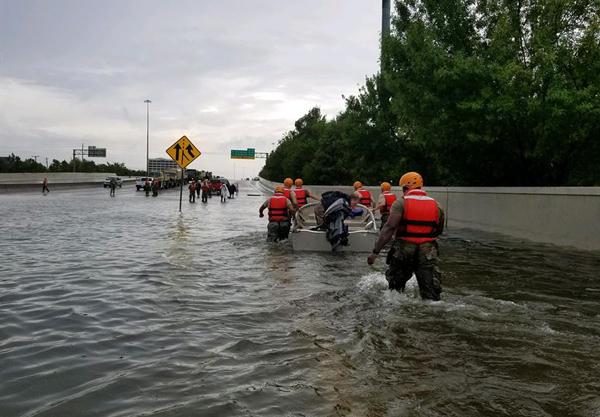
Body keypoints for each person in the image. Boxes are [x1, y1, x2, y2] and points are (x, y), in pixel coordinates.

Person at [367, 172, 445, 301]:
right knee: (431, 295)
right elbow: (438, 231)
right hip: (427, 251)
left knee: (395, 291)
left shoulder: (401, 203)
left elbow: (389, 228)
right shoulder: (437, 205)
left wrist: (375, 252)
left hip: (404, 249)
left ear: (404, 188)